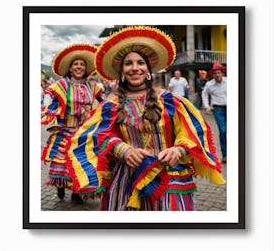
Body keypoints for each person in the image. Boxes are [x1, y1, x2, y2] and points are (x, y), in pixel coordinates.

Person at [67, 26, 225, 211]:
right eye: (128, 64)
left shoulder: (171, 101)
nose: (135, 68)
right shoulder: (110, 105)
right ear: (122, 72)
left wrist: (178, 151)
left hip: (170, 179)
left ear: (148, 69)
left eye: (140, 63)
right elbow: (91, 136)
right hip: (127, 181)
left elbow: (194, 132)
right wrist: (122, 149)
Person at [41, 43, 105, 204]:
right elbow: (51, 101)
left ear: (86, 69)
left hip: (84, 132)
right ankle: (61, 185)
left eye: (82, 64)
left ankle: (77, 191)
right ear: (70, 68)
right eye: (76, 64)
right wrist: (50, 111)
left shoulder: (93, 87)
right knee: (62, 161)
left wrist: (111, 110)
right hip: (65, 129)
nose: (79, 66)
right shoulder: (61, 86)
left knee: (81, 161)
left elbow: (103, 103)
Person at [202, 61, 227, 163]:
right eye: (215, 73)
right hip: (218, 109)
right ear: (212, 75)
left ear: (222, 73)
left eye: (219, 73)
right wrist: (207, 106)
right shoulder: (209, 84)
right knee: (223, 130)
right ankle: (225, 154)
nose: (217, 75)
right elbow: (204, 94)